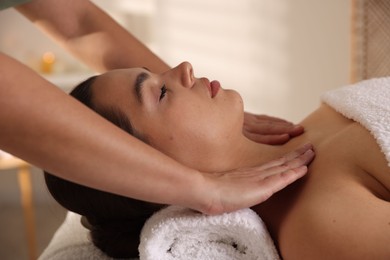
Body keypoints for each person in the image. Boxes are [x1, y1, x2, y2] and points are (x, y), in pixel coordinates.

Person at [45, 62, 389, 258]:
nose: (183, 68)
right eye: (160, 92)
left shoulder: (314, 121)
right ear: (149, 165)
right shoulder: (319, 223)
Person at [0, 0, 310, 215]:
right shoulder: (319, 215)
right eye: (161, 93)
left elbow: (79, 21)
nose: (186, 67)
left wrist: (196, 104)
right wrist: (203, 190)